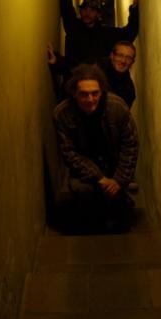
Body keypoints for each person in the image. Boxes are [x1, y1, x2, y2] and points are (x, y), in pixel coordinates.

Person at [53, 63, 138, 233]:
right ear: (74, 93)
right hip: (85, 167)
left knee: (119, 219)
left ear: (102, 91)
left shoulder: (117, 107)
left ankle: (120, 202)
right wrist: (100, 178)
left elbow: (130, 145)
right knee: (84, 200)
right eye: (84, 94)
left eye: (95, 93)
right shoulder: (62, 114)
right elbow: (70, 154)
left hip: (113, 163)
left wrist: (118, 180)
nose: (90, 99)